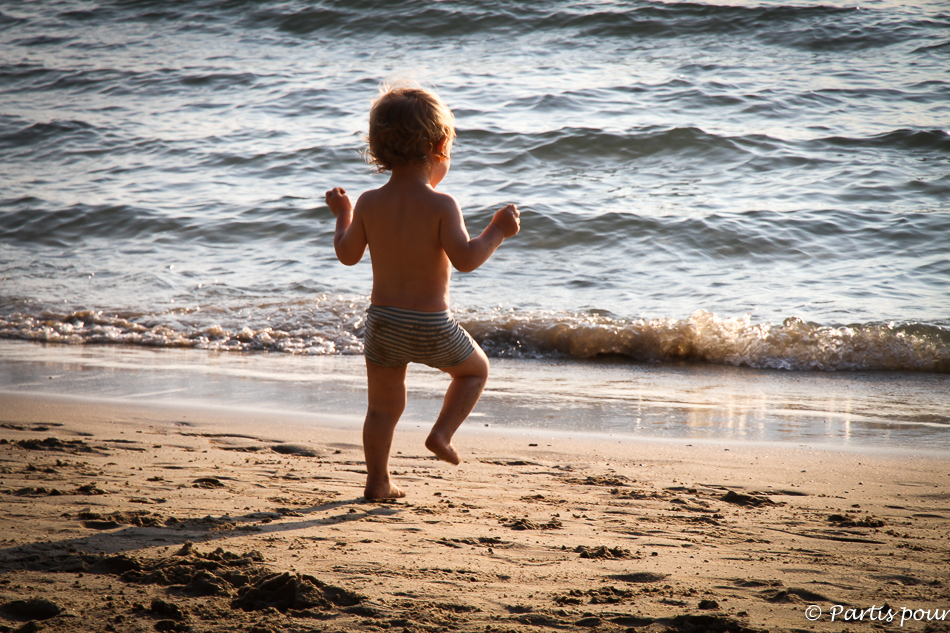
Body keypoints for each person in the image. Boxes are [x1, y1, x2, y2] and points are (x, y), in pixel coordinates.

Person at [325, 84, 520, 500]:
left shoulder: (368, 202)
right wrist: (498, 231)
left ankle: (377, 481)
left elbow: (347, 255)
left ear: (378, 149)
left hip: (383, 324)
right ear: (441, 145)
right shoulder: (442, 204)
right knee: (475, 371)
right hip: (432, 324)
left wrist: (344, 215)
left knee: (382, 409)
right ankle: (441, 434)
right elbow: (466, 259)